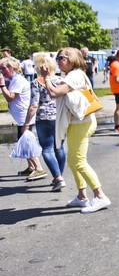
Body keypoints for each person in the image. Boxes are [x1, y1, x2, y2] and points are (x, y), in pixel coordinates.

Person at [39, 47, 111, 213]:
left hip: (81, 123)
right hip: (77, 122)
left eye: (62, 57)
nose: (58, 60)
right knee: (73, 161)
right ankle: (81, 196)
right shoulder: (71, 75)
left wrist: (46, 77)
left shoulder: (75, 75)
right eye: (57, 57)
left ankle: (100, 196)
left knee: (78, 161)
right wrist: (49, 78)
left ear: (71, 58)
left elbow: (55, 92)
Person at [0, 56, 47, 180]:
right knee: (23, 140)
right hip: (22, 116)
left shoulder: (18, 80)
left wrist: (2, 85)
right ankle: (31, 167)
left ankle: (39, 168)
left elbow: (10, 97)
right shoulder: (15, 79)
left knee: (26, 142)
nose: (2, 72)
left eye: (3, 69)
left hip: (24, 117)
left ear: (12, 68)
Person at [30, 54, 67, 190]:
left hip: (44, 118)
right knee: (60, 148)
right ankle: (59, 176)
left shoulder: (36, 82)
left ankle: (58, 177)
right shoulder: (61, 80)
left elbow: (34, 105)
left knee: (47, 149)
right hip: (60, 117)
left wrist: (27, 123)